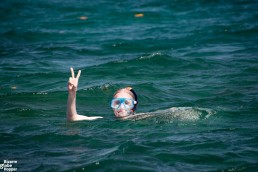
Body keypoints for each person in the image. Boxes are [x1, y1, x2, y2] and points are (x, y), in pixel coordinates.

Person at [66, 68, 138, 121]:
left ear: (133, 106)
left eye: (126, 102)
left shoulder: (145, 117)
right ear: (112, 107)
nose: (122, 107)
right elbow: (73, 117)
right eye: (117, 103)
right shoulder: (104, 120)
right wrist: (72, 94)